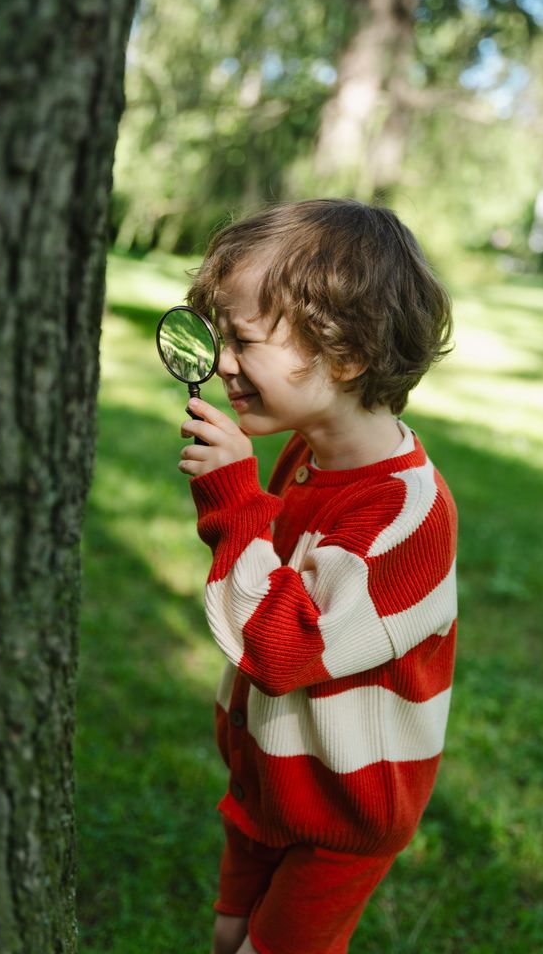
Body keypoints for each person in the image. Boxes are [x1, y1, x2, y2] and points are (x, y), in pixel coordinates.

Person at [177, 199, 458, 954]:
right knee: (231, 931)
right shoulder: (309, 451)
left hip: (342, 808)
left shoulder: (406, 516)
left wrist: (234, 501)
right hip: (269, 776)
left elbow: (282, 652)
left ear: (346, 356)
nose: (223, 363)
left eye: (242, 341)